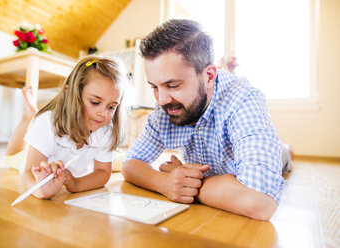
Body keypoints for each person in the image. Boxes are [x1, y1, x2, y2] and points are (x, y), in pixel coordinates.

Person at [122, 19, 291, 220]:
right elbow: (130, 163)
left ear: (209, 76)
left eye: (173, 85)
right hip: (225, 176)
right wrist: (165, 183)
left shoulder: (243, 99)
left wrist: (188, 184)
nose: (161, 99)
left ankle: (286, 149)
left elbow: (260, 202)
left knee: (282, 156)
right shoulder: (166, 107)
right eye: (154, 87)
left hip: (275, 157)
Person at [8, 56, 127, 199]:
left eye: (112, 107)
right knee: (11, 157)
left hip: (73, 166)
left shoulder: (106, 129)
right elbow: (28, 172)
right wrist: (41, 191)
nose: (103, 114)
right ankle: (28, 116)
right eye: (95, 102)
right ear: (70, 93)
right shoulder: (47, 122)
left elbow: (102, 172)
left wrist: (76, 184)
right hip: (36, 154)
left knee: (120, 160)